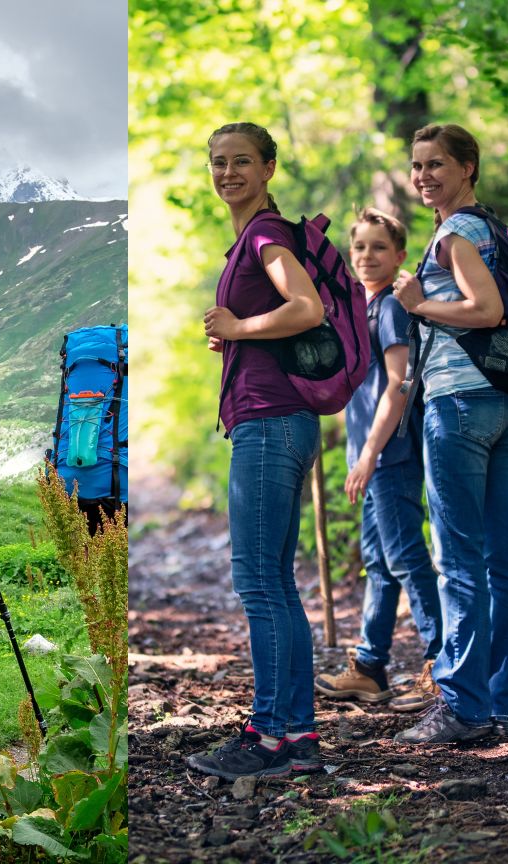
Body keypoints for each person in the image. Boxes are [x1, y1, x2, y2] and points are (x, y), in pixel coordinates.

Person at [185, 122, 326, 781]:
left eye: (242, 161)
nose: (228, 172)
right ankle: (296, 734)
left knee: (259, 580)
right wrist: (242, 339)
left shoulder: (267, 236)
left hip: (270, 424)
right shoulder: (252, 238)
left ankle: (268, 735)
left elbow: (308, 307)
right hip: (279, 421)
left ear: (269, 167)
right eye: (218, 162)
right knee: (277, 581)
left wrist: (241, 325)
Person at [388, 123, 508, 745]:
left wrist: (418, 304)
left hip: (460, 403)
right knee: (503, 556)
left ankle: (463, 708)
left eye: (437, 164)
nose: (424, 176)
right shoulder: (495, 231)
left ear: (468, 167)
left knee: (459, 560)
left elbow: (487, 310)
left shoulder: (456, 233)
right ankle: (505, 704)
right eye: (417, 166)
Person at [313, 207, 444, 713]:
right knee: (380, 564)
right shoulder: (362, 308)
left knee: (407, 560)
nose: (367, 256)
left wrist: (368, 454)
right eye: (360, 247)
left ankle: (440, 664)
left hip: (390, 454)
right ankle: (370, 668)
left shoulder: (390, 307)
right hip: (369, 456)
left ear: (400, 256)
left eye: (379, 248)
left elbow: (398, 383)